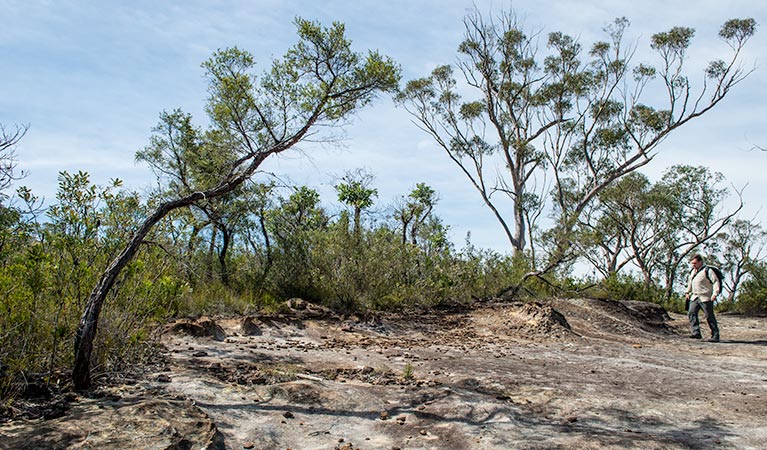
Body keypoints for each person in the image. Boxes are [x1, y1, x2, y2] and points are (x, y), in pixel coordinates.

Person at [684, 254, 721, 342]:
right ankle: (696, 333)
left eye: (695, 263)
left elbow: (715, 281)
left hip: (705, 297)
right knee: (691, 313)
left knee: (709, 316)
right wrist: (687, 292)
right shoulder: (692, 272)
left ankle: (715, 335)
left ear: (700, 262)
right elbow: (690, 282)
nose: (693, 265)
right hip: (694, 296)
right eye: (692, 263)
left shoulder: (708, 270)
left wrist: (715, 294)